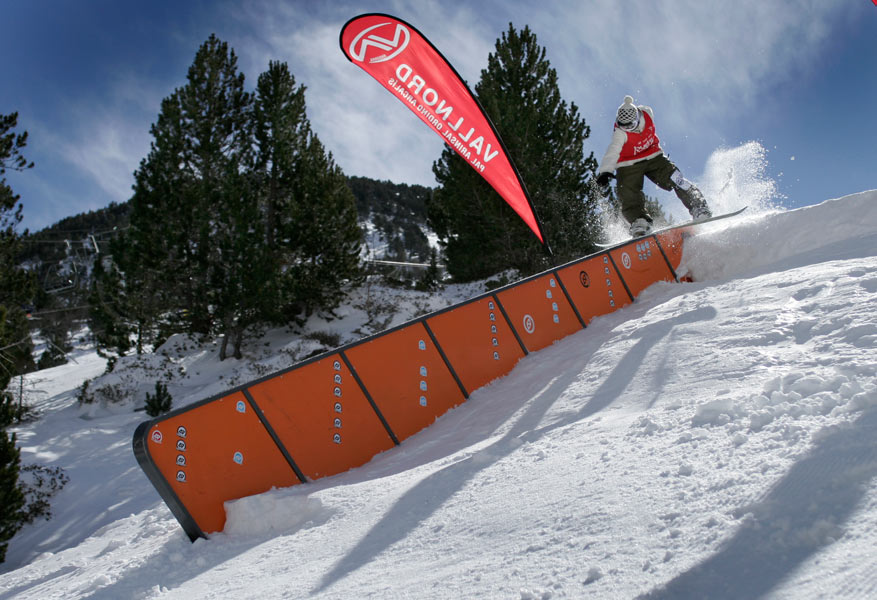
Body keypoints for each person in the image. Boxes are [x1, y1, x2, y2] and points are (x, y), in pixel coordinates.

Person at [595, 95, 711, 237]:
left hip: (654, 156)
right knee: (627, 192)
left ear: (637, 118)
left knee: (675, 177)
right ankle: (640, 221)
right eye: (623, 126)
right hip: (628, 163)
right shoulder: (620, 133)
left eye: (630, 126)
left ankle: (698, 205)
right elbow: (612, 151)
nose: (628, 129)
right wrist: (605, 171)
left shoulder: (647, 113)